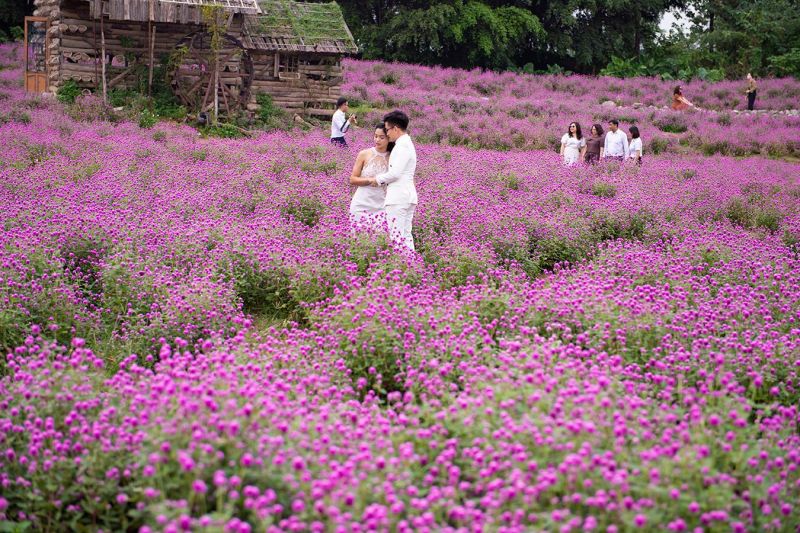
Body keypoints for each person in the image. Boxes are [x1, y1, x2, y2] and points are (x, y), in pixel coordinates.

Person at [368, 110, 418, 251]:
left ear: (396, 128)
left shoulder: (402, 145)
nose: (387, 133)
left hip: (398, 198)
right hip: (407, 196)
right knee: (406, 236)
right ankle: (411, 267)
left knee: (396, 237)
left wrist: (377, 179)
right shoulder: (407, 143)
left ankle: (402, 268)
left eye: (388, 129)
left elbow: (395, 173)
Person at [348, 125, 393, 228]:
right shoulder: (364, 154)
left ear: (389, 138)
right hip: (361, 202)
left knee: (380, 237)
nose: (377, 140)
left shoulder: (393, 157)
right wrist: (371, 180)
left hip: (382, 204)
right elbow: (353, 179)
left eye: (381, 137)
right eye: (375, 136)